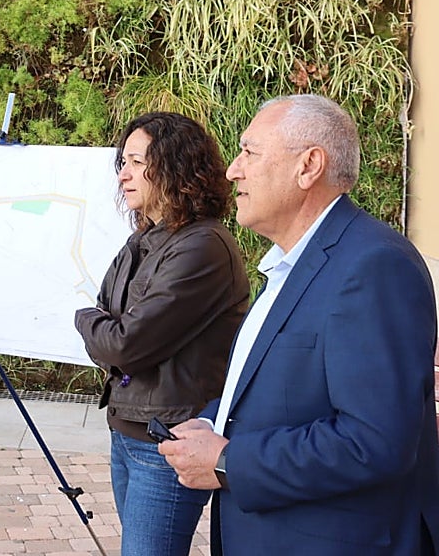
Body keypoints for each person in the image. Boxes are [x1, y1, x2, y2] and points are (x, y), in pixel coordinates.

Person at [160, 95, 439, 555]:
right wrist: (214, 421)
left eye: (249, 151)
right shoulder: (297, 264)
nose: (233, 170)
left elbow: (375, 440)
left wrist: (229, 461)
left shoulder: (373, 266)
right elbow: (289, 394)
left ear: (308, 166)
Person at [73, 112, 249, 556]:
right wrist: (105, 328)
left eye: (135, 161)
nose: (123, 173)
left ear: (173, 166)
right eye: (122, 162)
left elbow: (124, 345)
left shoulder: (202, 245)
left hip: (167, 442)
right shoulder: (144, 240)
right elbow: (113, 325)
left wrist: (84, 321)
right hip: (128, 430)